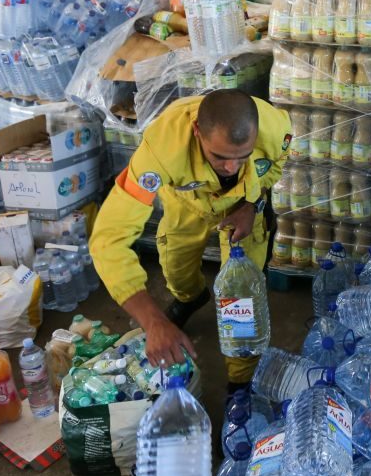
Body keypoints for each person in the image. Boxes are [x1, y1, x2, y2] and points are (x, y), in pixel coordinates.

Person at [90, 89, 291, 388]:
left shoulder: (275, 129)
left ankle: (241, 379)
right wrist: (153, 321)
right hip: (188, 205)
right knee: (176, 268)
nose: (231, 168)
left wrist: (252, 204)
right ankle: (190, 297)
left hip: (242, 209)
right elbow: (109, 238)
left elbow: (276, 162)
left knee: (241, 299)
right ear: (197, 132)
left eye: (242, 157)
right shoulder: (161, 149)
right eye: (220, 157)